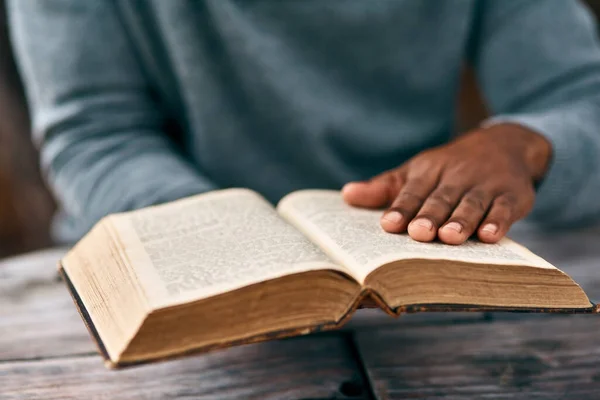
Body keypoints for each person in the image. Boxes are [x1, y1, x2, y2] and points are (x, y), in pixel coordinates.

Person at [7, 0, 600, 246]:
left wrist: (522, 145)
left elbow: (579, 96)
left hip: (413, 258)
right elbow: (97, 139)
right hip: (163, 258)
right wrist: (239, 240)